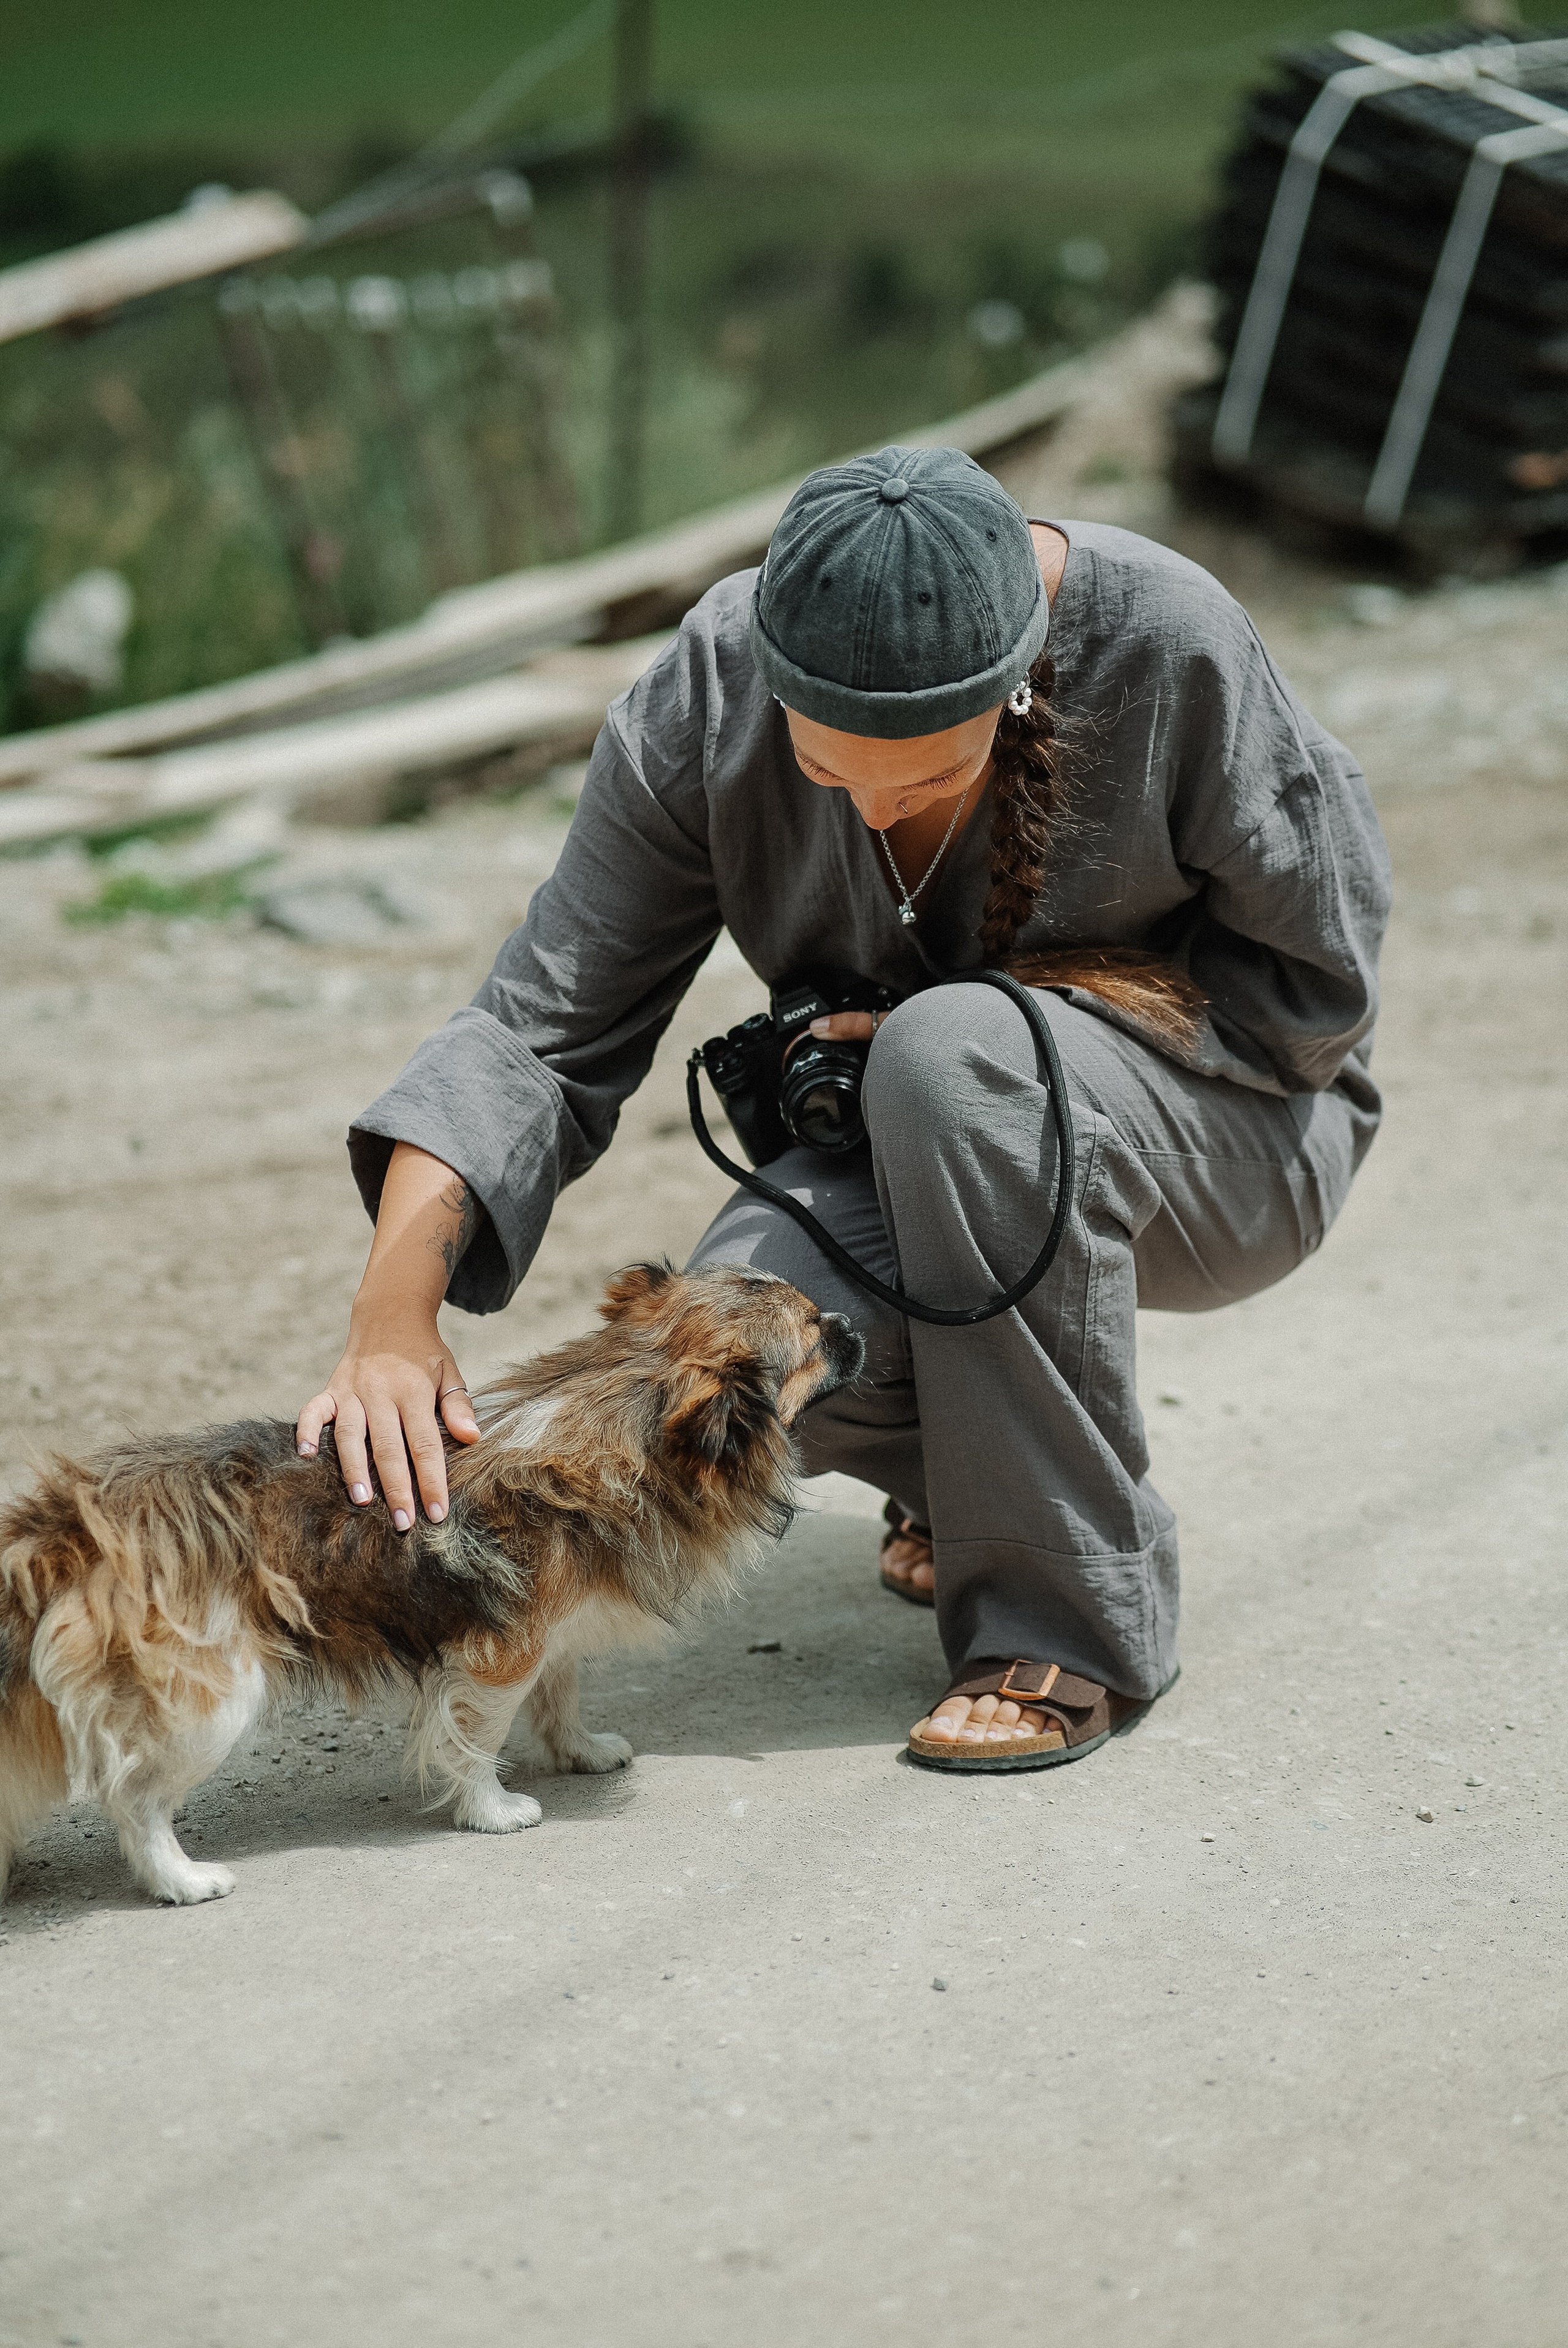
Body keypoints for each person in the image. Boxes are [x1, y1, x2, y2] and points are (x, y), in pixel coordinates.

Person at [296, 445, 1390, 1773]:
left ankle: (1062, 1622)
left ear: (1016, 682)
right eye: (830, 772)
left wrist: (1015, 1012)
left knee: (953, 1060)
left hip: (1235, 1144)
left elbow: (1312, 995)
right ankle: (970, 1490)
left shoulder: (1167, 643)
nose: (871, 805)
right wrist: (389, 1317)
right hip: (929, 1155)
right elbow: (539, 1025)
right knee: (730, 1362)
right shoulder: (709, 690)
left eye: (921, 779)